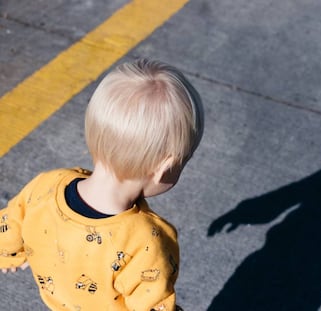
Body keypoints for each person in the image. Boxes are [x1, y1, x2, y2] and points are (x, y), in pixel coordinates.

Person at [0, 58, 203, 311]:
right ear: (164, 168)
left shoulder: (46, 186)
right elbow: (152, 303)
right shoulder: (145, 241)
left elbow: (10, 224)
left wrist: (10, 255)